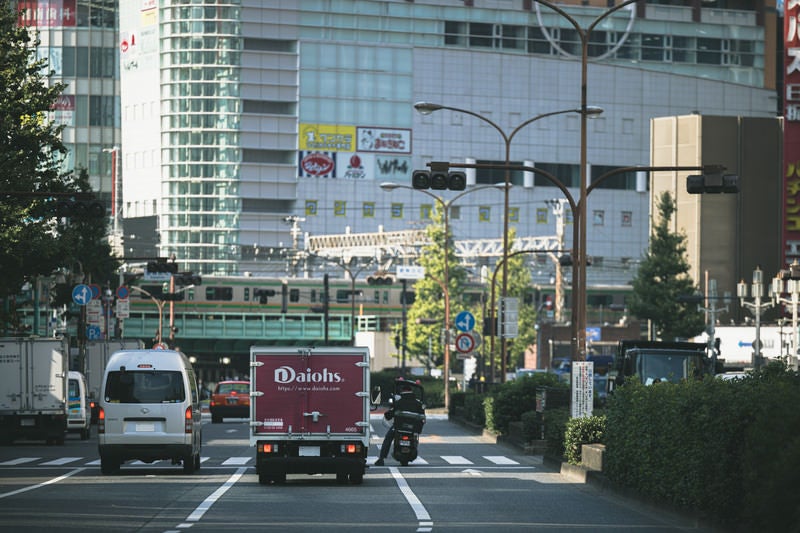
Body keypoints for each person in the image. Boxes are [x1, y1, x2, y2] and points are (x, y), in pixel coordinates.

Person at [375, 383, 424, 466]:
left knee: (388, 439)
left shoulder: (399, 402)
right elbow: (422, 417)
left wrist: (387, 415)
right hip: (413, 429)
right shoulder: (418, 404)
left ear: (403, 391)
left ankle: (381, 459)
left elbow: (390, 413)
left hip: (399, 427)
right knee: (415, 438)